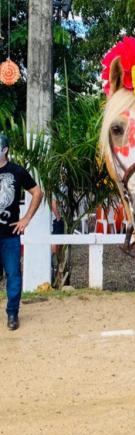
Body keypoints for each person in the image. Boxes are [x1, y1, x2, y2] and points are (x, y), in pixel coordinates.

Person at [0, 133, 44, 330]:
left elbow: (37, 192)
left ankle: (12, 314)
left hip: (9, 236)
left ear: (5, 149)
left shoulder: (16, 171)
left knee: (13, 276)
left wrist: (26, 219)